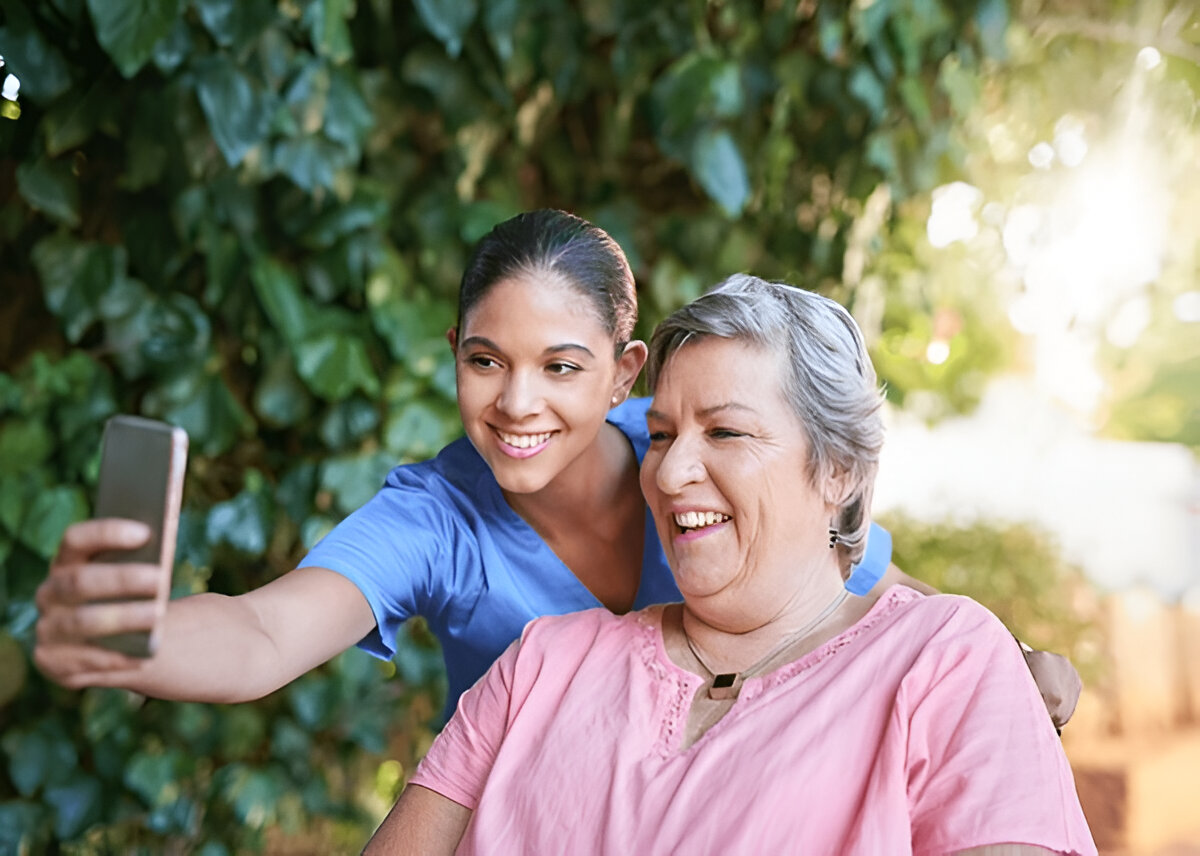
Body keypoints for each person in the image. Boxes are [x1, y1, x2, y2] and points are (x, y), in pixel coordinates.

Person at [33, 210, 1075, 727]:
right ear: (454, 354)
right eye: (485, 361)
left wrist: (1017, 669)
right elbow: (266, 629)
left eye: (561, 367)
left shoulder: (698, 465)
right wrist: (143, 635)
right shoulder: (438, 516)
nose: (517, 404)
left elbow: (875, 595)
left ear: (624, 371)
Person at [364, 276, 1096, 855]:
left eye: (726, 431)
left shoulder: (947, 662)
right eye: (660, 434)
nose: (672, 471)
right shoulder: (542, 665)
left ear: (839, 468)